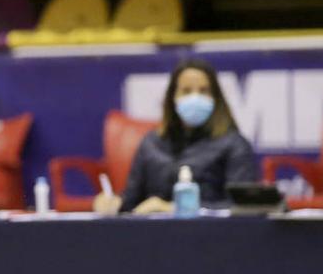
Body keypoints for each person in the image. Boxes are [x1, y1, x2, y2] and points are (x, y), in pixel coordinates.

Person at [95, 58, 257, 215]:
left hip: (209, 231)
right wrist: (113, 203)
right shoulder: (151, 143)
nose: (195, 97)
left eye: (204, 91)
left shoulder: (235, 145)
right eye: (186, 91)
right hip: (153, 231)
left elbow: (241, 206)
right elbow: (130, 201)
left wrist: (175, 209)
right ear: (172, 97)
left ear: (216, 98)